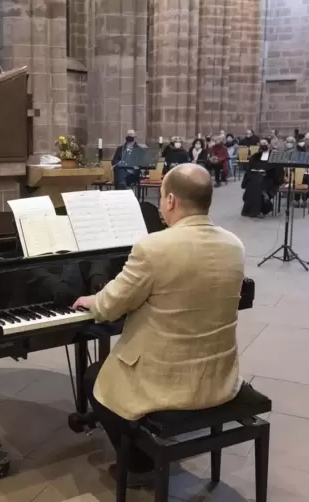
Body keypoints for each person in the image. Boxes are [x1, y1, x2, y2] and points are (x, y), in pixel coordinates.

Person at [72, 164, 245, 485]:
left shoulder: (154, 247)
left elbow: (110, 305)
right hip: (219, 375)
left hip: (168, 382)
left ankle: (138, 463)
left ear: (169, 201)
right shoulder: (234, 245)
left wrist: (90, 301)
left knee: (95, 378)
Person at [241, 139, 278, 217]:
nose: (263, 145)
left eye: (265, 143)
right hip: (255, 177)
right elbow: (249, 169)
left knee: (259, 183)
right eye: (261, 144)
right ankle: (253, 210)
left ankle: (257, 210)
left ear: (269, 145)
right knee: (255, 183)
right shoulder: (255, 156)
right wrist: (256, 171)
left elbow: (277, 170)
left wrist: (267, 173)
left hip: (269, 178)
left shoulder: (274, 156)